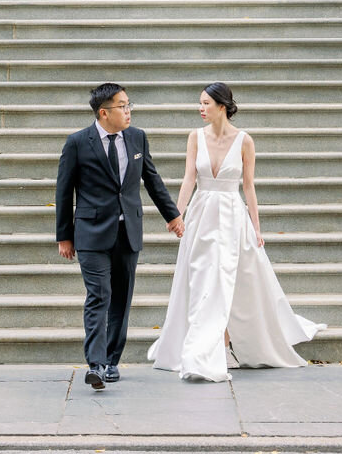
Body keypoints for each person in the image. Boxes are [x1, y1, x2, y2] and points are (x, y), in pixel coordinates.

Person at [148, 82, 326, 383]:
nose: (200, 108)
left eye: (205, 103)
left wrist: (256, 229)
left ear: (221, 106)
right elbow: (189, 178)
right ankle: (211, 345)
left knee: (225, 280)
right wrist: (176, 214)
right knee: (203, 278)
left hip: (232, 217)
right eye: (199, 103)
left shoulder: (244, 141)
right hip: (202, 214)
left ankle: (213, 348)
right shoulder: (195, 137)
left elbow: (249, 186)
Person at [56, 82, 185, 389]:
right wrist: (64, 236)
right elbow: (63, 191)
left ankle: (112, 360)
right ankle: (96, 364)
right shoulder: (77, 143)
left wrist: (173, 216)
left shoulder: (137, 137)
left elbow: (152, 179)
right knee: (99, 296)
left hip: (128, 233)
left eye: (129, 105)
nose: (128, 111)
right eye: (122, 106)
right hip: (91, 234)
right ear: (103, 113)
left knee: (121, 299)